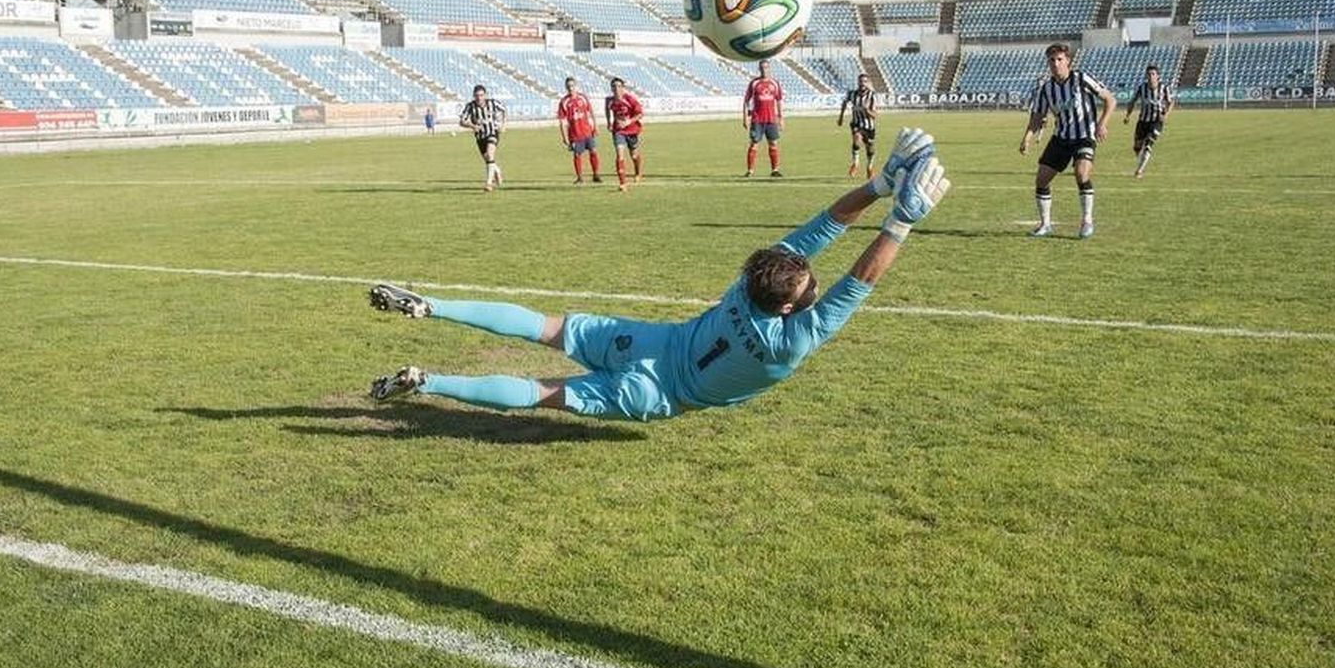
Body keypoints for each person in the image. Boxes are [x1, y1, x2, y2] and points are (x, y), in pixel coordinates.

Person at [367, 128, 951, 421]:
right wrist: (901, 220)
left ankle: (433, 304)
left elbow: (825, 228)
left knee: (545, 326)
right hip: (654, 391)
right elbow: (858, 282)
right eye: (809, 288)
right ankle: (430, 382)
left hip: (651, 339)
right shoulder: (790, 342)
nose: (814, 281)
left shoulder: (746, 285)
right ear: (789, 308)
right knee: (545, 393)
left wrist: (879, 186)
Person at [1019, 43, 1115, 238]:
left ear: (1068, 61)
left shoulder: (1081, 79)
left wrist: (1102, 124)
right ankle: (1045, 224)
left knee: (1081, 173)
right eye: (1052, 60)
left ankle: (1087, 221)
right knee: (1042, 180)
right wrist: (1027, 138)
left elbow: (1110, 100)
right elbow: (1037, 116)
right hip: (1061, 138)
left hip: (1084, 137)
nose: (1056, 64)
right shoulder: (1046, 89)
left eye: (1060, 59)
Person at [1122, 63, 1174, 179]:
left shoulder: (1164, 88)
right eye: (1149, 74)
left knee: (1148, 145)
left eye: (1153, 74)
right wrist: (1128, 116)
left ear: (1158, 76)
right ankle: (1141, 159)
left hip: (1156, 121)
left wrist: (1166, 115)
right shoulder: (1141, 88)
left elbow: (1170, 102)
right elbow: (1132, 102)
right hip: (1142, 121)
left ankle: (1139, 171)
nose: (1151, 76)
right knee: (1137, 147)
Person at [458, 84, 507, 191]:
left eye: (481, 95)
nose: (479, 98)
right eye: (477, 96)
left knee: (490, 154)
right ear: (473, 96)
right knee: (488, 159)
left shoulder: (493, 103)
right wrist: (472, 126)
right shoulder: (470, 106)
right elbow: (461, 122)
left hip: (492, 132)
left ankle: (489, 184)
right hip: (480, 137)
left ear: (485, 95)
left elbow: (504, 110)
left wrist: (503, 125)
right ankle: (497, 170)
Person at [743, 58, 785, 177]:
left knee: (773, 143)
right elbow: (746, 101)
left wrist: (781, 118)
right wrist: (745, 117)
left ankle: (775, 170)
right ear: (759, 69)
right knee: (754, 144)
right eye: (762, 68)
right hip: (757, 119)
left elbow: (779, 101)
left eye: (766, 67)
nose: (764, 70)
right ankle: (750, 171)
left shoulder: (774, 83)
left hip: (771, 119)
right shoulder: (754, 83)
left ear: (769, 68)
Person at [556, 76, 602, 184]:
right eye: (568, 86)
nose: (571, 88)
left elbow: (591, 112)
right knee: (577, 155)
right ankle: (580, 177)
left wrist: (595, 126)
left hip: (587, 132)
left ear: (576, 86)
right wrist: (564, 137)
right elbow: (562, 121)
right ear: (566, 87)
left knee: (593, 151)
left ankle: (596, 174)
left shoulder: (583, 98)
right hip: (575, 134)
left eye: (572, 86)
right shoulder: (564, 102)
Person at [604, 76, 644, 191]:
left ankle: (637, 173)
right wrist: (609, 122)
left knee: (634, 156)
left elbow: (640, 114)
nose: (616, 88)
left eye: (619, 86)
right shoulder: (609, 100)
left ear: (623, 88)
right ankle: (622, 183)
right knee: (619, 155)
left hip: (631, 130)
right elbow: (607, 109)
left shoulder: (630, 99)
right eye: (614, 86)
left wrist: (628, 121)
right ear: (611, 88)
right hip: (618, 131)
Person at [837, 72, 877, 178]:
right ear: (858, 82)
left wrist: (866, 109)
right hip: (856, 123)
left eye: (864, 81)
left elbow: (874, 115)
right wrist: (841, 117)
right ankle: (855, 164)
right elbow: (844, 103)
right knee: (857, 138)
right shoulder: (852, 94)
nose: (862, 83)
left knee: (870, 148)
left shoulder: (872, 95)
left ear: (867, 83)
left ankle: (869, 167)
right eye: (860, 81)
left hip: (869, 126)